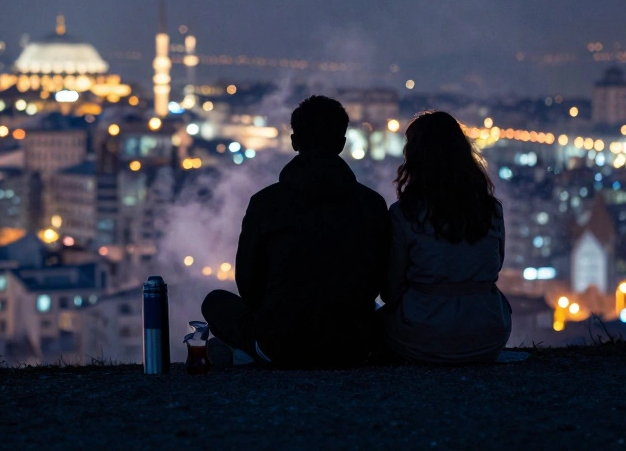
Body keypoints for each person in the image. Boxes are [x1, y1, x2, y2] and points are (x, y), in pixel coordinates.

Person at [201, 95, 390, 368]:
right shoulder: (371, 203)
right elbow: (380, 283)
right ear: (342, 144)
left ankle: (248, 352)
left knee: (215, 302)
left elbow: (248, 286)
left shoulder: (266, 203)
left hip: (279, 342)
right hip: (351, 345)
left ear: (294, 142)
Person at [381, 110, 512, 364]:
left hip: (422, 334)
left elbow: (391, 289)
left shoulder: (405, 214)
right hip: (488, 335)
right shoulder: (490, 210)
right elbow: (495, 265)